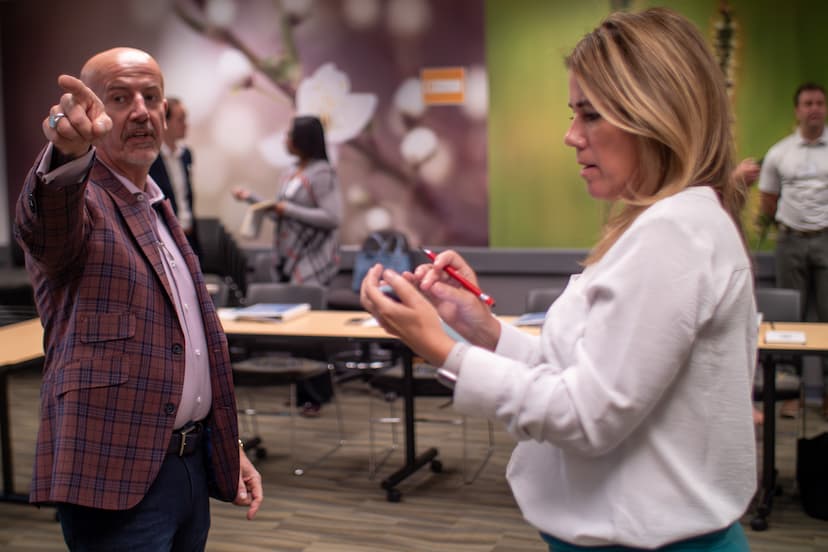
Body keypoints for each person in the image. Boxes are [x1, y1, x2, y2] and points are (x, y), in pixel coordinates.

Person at [361, 8, 756, 551]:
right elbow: (587, 378)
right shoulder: (661, 224)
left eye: (590, 115)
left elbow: (588, 418)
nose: (571, 136)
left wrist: (439, 347)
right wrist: (482, 331)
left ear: (655, 115)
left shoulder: (675, 232)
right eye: (574, 113)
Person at [14, 47, 262, 550]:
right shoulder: (82, 199)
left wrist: (224, 446)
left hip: (187, 465)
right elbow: (48, 226)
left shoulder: (154, 205)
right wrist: (66, 156)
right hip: (116, 473)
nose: (142, 111)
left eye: (152, 97)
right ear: (91, 113)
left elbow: (186, 347)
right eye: (120, 98)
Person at [232, 116, 342, 416]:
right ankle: (303, 391)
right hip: (288, 258)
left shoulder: (323, 174)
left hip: (312, 261)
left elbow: (331, 218)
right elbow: (283, 215)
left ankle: (316, 394)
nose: (285, 140)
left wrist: (286, 208)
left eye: (290, 135)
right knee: (296, 327)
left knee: (309, 329)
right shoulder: (290, 173)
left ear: (303, 139)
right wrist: (253, 200)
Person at [757, 82, 828, 421]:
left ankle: (827, 396)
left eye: (819, 102)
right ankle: (790, 393)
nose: (814, 108)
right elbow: (768, 198)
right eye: (807, 103)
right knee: (790, 319)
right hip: (790, 241)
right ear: (797, 111)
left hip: (826, 240)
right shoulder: (780, 152)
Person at [150, 96, 202, 259]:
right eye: (181, 119)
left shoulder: (186, 154)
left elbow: (186, 197)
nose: (186, 124)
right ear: (165, 122)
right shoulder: (151, 158)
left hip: (189, 233)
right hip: (165, 236)